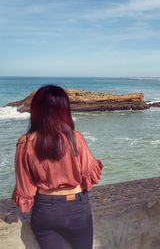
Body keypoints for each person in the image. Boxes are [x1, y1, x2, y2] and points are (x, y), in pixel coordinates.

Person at [12, 85, 103, 249]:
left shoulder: (25, 143)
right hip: (76, 207)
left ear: (36, 110)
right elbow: (89, 175)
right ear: (64, 110)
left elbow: (25, 188)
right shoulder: (75, 139)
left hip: (44, 209)